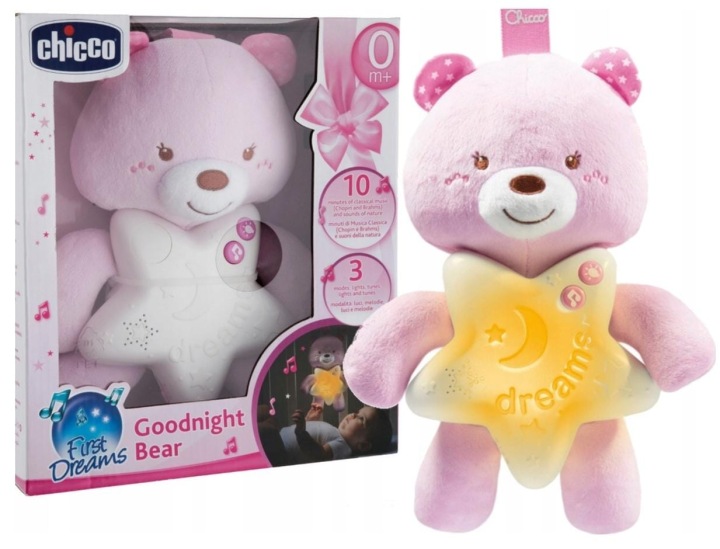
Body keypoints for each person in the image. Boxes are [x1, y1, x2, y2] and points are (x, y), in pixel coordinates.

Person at [279, 404, 392, 463]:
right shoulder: (336, 433)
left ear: (363, 445)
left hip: (282, 449)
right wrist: (309, 420)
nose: (353, 415)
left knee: (269, 428)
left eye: (361, 418)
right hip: (280, 437)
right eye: (356, 412)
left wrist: (301, 433)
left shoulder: (342, 446)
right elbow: (314, 436)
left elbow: (318, 454)